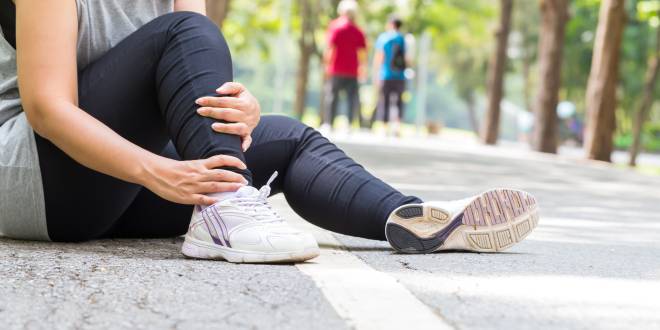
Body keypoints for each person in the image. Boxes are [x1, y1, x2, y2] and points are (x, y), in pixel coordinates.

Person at [0, 0, 539, 263]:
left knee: (289, 139)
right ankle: (226, 212)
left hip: (109, 185)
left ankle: (417, 220)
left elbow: (191, 83)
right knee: (183, 31)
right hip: (36, 177)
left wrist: (244, 111)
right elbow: (48, 108)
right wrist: (159, 171)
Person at [321, 0, 367, 132]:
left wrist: (326, 65)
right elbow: (362, 53)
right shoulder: (358, 30)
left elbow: (330, 48)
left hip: (336, 68)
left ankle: (329, 123)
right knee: (351, 98)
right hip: (352, 70)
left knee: (332, 96)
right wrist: (362, 68)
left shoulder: (335, 27)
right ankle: (349, 124)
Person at [372, 17, 408, 136]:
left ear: (391, 24)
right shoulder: (402, 39)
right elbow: (406, 58)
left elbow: (379, 56)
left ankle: (385, 127)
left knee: (385, 101)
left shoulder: (384, 38)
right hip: (400, 76)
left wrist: (376, 73)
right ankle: (398, 127)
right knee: (399, 102)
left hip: (386, 74)